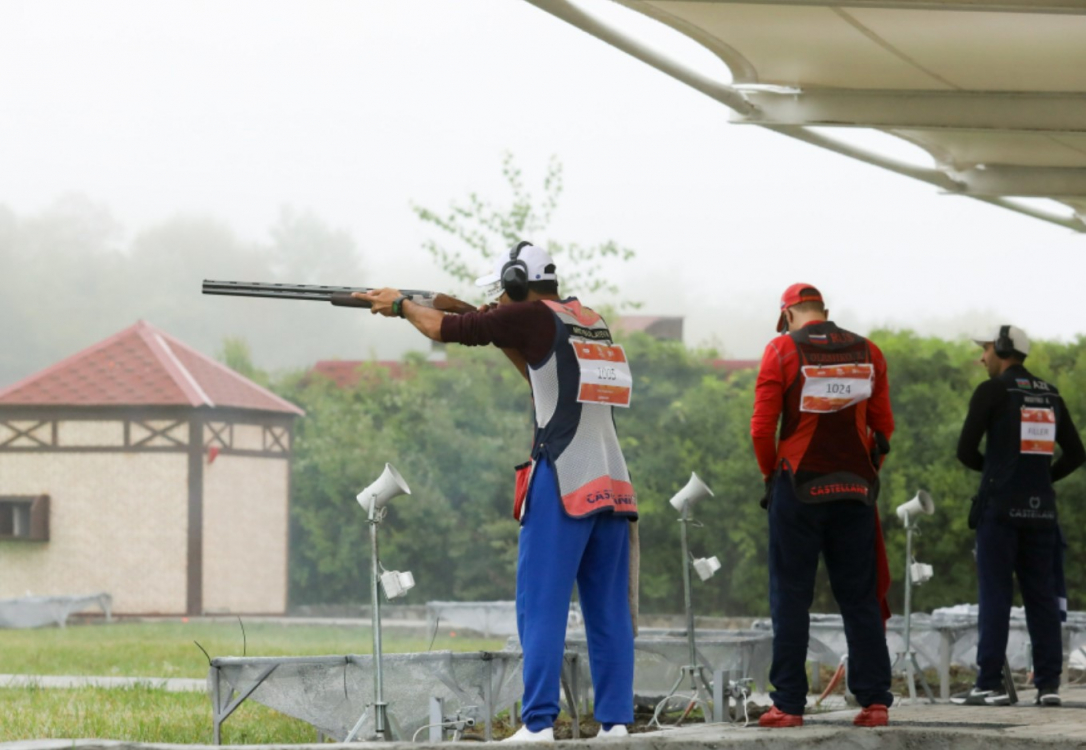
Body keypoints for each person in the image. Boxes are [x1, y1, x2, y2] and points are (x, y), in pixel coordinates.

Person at [358, 242, 637, 742]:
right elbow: (539, 372)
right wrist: (479, 315)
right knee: (609, 610)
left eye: (502, 293)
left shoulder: (530, 315)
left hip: (562, 478)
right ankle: (616, 723)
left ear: (514, 282)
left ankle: (539, 724)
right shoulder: (589, 320)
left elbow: (443, 330)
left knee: (540, 606)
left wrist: (400, 304)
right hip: (612, 482)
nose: (500, 302)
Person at [750, 283, 894, 729]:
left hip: (798, 487)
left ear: (787, 315)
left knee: (791, 597)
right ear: (824, 311)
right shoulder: (869, 351)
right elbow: (883, 428)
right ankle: (875, 704)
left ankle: (789, 705)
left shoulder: (781, 349)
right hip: (855, 489)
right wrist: (866, 473)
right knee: (861, 597)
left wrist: (771, 476)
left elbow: (762, 428)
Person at [952, 325, 1085, 707]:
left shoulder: (992, 391)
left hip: (1000, 512)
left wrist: (997, 475)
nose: (982, 357)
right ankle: (1048, 686)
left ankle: (989, 684)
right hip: (1042, 512)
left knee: (995, 594)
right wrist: (1040, 479)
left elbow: (965, 451)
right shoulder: (1050, 393)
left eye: (986, 349)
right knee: (1042, 597)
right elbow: (1077, 453)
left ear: (1002, 348)